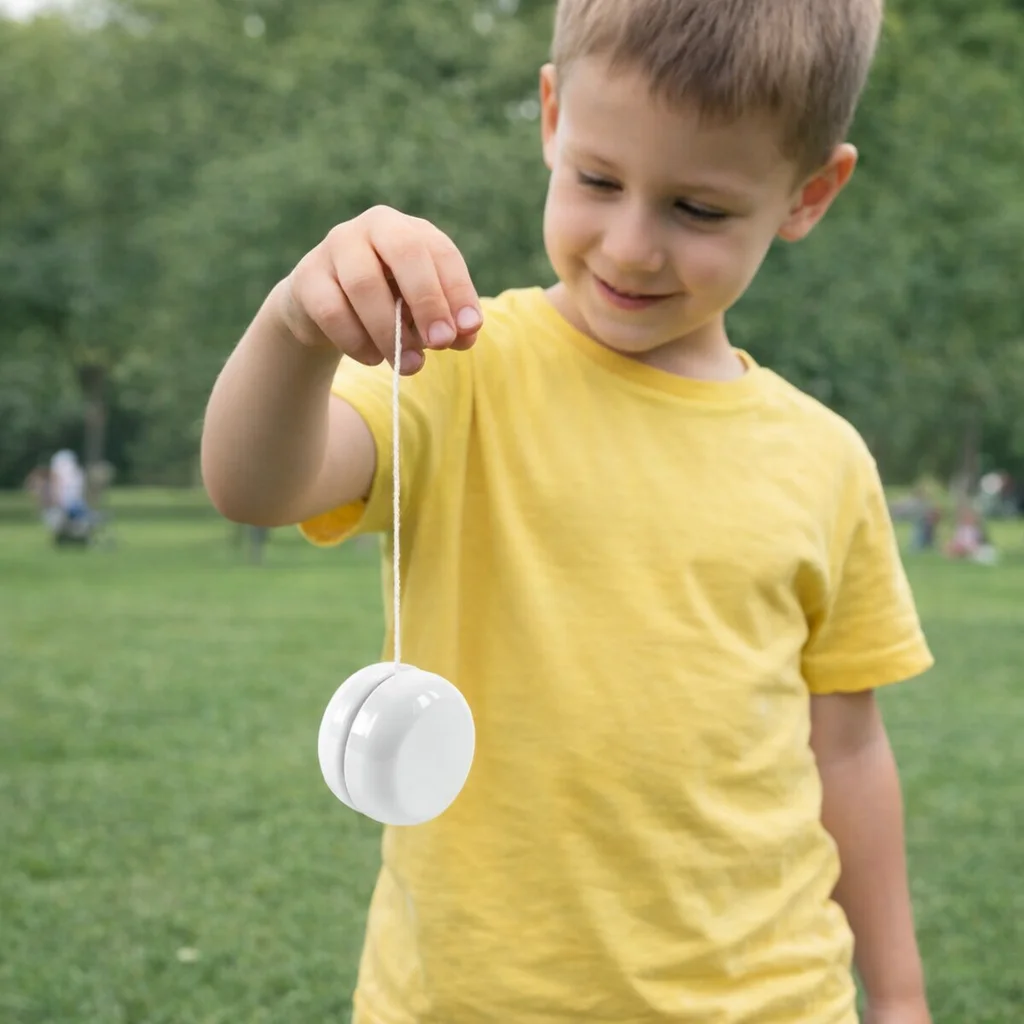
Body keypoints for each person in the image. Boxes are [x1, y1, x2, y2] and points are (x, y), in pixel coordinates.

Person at [201, 1, 935, 1021]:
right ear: (550, 115)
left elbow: (846, 746)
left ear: (809, 193)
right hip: (471, 1001)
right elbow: (256, 483)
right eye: (597, 181)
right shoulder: (460, 371)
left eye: (699, 210)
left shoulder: (825, 458)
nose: (632, 247)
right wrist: (294, 324)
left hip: (768, 997)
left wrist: (898, 995)